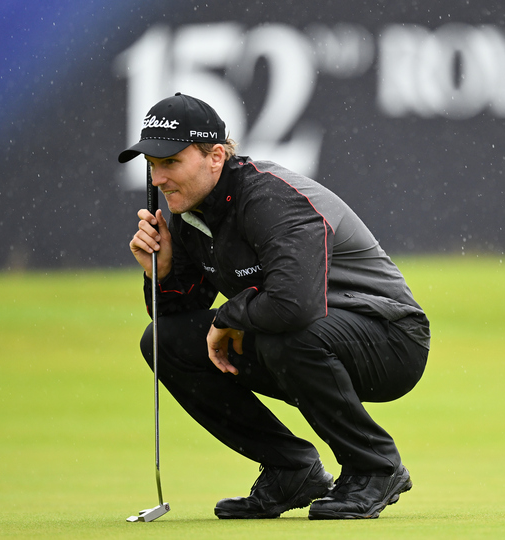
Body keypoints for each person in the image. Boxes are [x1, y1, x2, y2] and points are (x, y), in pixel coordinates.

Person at [122, 93, 430, 520]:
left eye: (170, 162)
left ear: (215, 156)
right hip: (308, 333)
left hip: (391, 339)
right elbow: (181, 320)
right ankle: (291, 470)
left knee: (285, 335)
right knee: (165, 342)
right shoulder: (191, 213)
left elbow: (294, 305)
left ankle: (374, 468)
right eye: (152, 166)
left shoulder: (269, 196)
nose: (158, 179)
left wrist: (230, 316)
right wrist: (162, 272)